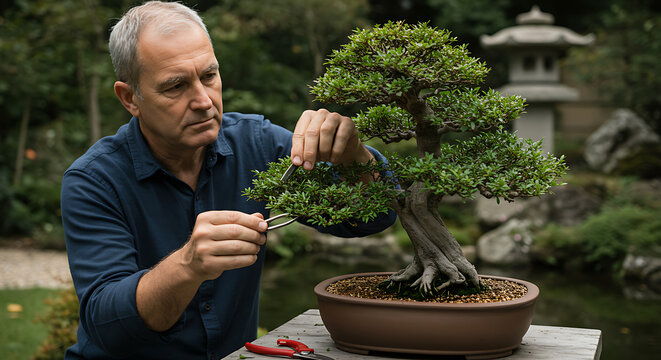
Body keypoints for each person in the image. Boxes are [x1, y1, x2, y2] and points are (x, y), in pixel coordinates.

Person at [60, 1, 395, 359]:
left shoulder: (259, 144)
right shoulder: (94, 181)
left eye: (208, 76)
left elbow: (373, 216)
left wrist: (354, 156)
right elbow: (109, 326)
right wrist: (187, 266)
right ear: (130, 98)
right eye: (175, 86)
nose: (203, 101)